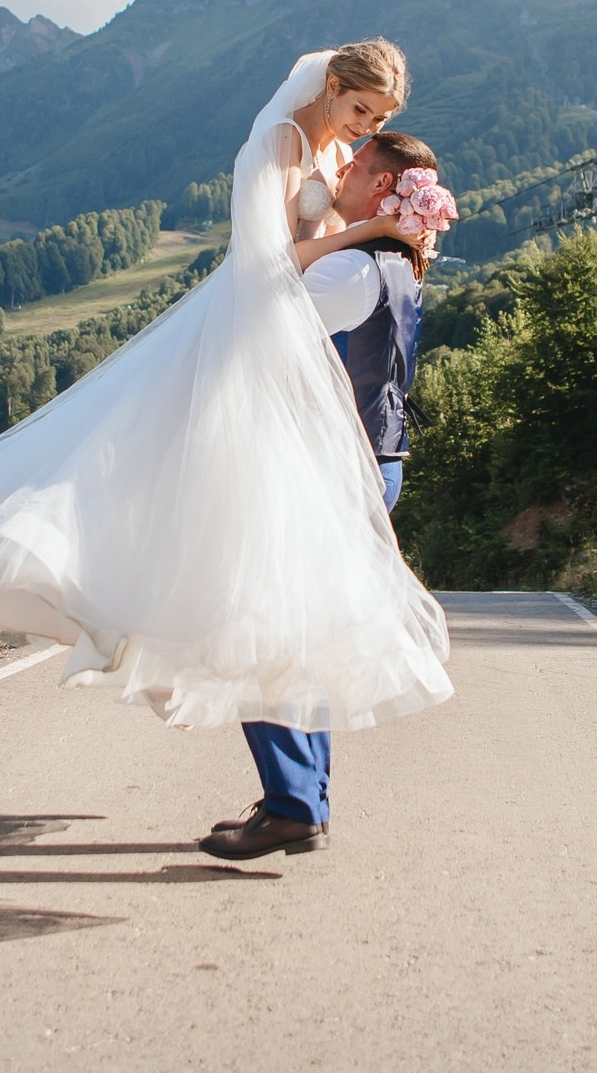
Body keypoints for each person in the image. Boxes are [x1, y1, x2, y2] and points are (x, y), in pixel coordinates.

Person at [0, 40, 453, 748]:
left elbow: (339, 234)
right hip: (249, 318)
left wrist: (396, 237)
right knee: (170, 501)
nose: (364, 129)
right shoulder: (281, 140)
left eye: (377, 119)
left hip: (284, 343)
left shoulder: (343, 155)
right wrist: (378, 227)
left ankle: (272, 746)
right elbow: (271, 261)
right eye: (359, 109)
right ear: (333, 85)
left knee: (238, 546)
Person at [201, 129, 438, 862]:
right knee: (300, 628)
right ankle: (301, 799)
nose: (343, 165)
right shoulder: (394, 265)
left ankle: (294, 801)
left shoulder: (354, 271)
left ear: (379, 187)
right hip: (376, 457)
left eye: (358, 162)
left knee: (259, 618)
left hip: (340, 466)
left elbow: (264, 311)